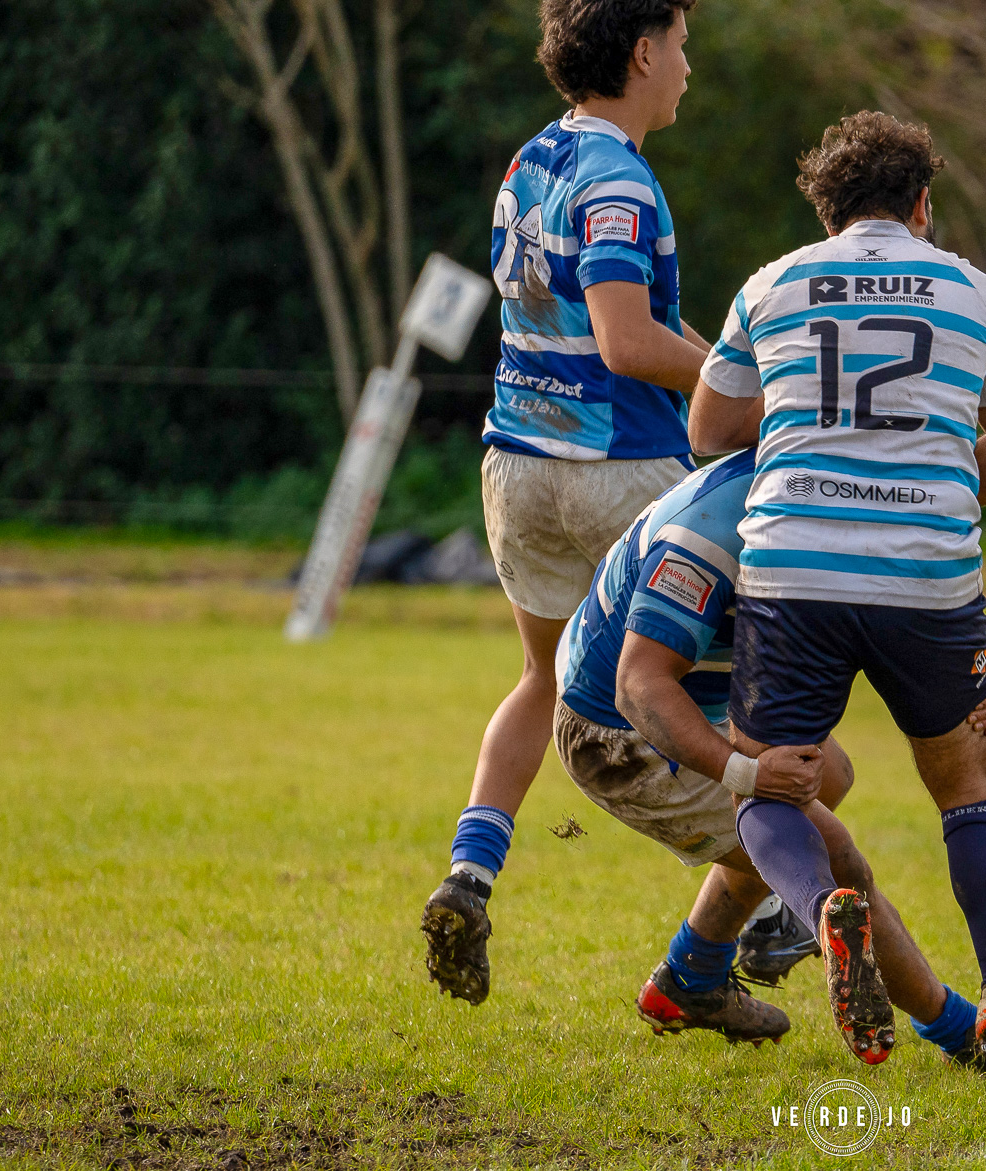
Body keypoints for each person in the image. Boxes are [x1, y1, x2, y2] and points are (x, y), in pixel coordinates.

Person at [686, 111, 986, 1085]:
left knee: (771, 779)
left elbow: (709, 430)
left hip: (793, 567)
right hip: (926, 572)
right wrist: (931, 488)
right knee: (967, 779)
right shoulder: (978, 293)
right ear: (922, 204)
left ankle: (823, 907)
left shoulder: (771, 285)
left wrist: (811, 446)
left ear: (825, 213)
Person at [422, 0, 714, 1007]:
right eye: (682, 46)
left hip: (518, 465)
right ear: (643, 52)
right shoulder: (619, 179)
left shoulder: (532, 160)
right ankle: (757, 905)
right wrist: (738, 384)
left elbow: (617, 320)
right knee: (740, 674)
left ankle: (469, 876)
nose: (688, 66)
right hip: (617, 469)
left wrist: (722, 364)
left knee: (541, 677)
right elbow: (628, 344)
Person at [551, 447, 986, 1064]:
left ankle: (693, 972)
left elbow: (906, 607)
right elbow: (637, 685)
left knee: (828, 774)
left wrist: (975, 662)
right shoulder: (711, 533)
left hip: (701, 695)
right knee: (836, 860)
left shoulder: (830, 487)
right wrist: (745, 772)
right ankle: (958, 1032)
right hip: (615, 729)